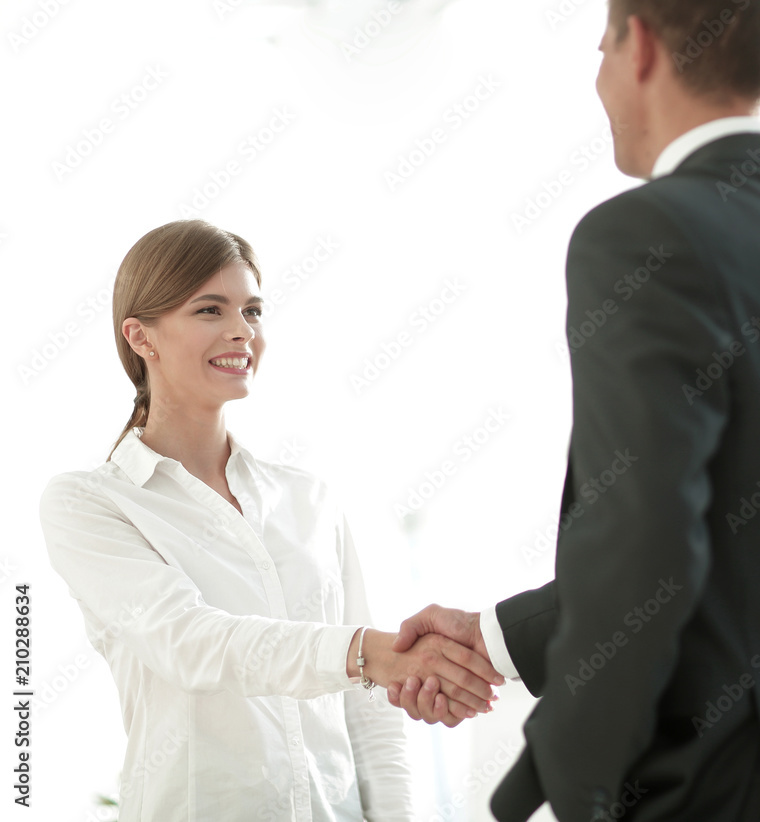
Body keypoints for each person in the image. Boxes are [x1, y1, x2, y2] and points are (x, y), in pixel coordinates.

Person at [389, 1, 760, 820]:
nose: (596, 75)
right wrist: (495, 638)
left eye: (600, 45)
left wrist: (561, 777)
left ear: (638, 44)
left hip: (728, 787)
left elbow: (645, 533)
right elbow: (746, 547)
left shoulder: (646, 234)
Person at [38, 220, 503, 822]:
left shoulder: (309, 500)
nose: (241, 331)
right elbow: (189, 643)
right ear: (141, 337)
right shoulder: (90, 504)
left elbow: (368, 708)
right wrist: (372, 654)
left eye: (253, 311)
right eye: (210, 309)